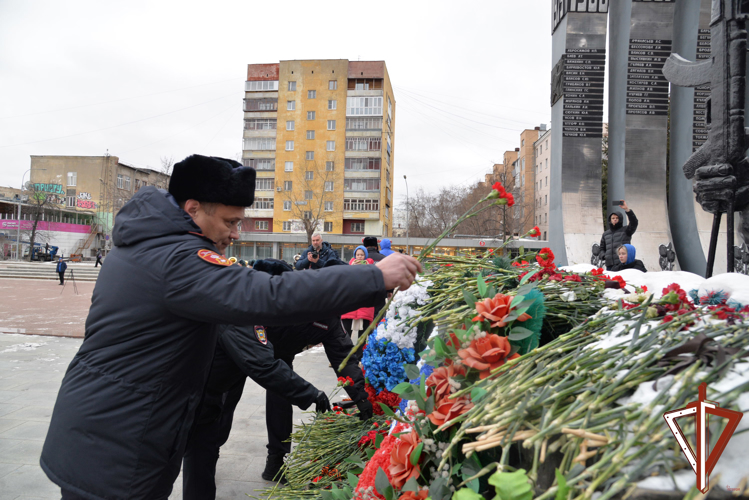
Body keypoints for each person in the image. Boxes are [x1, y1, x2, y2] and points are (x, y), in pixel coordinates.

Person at [40, 155, 422, 500]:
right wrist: (371, 277)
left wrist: (254, 270)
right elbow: (266, 298)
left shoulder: (152, 244)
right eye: (229, 221)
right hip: (116, 443)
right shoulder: (176, 259)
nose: (236, 233)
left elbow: (213, 284)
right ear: (192, 209)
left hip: (110, 427)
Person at [250, 259, 372, 485]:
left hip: (280, 354)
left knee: (281, 394)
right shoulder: (292, 294)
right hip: (246, 345)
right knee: (220, 408)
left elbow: (344, 360)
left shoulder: (330, 320)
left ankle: (275, 459)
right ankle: (204, 453)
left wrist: (361, 397)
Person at [182, 319, 331, 499]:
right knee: (196, 456)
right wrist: (311, 393)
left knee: (203, 454)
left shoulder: (240, 311)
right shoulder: (238, 319)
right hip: (194, 394)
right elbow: (263, 365)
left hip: (207, 388)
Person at [341, 246, 375, 341]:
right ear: (354, 256)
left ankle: (361, 354)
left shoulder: (371, 266)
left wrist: (369, 267)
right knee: (346, 331)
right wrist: (351, 268)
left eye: (362, 255)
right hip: (351, 302)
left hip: (364, 302)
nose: (359, 257)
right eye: (358, 255)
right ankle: (346, 352)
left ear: (365, 256)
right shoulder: (349, 266)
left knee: (363, 333)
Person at [599, 200, 638, 270]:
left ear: (620, 219)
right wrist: (604, 256)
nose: (615, 220)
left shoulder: (626, 230)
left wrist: (627, 210)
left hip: (622, 264)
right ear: (610, 220)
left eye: (617, 218)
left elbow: (634, 222)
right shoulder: (605, 234)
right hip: (609, 265)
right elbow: (602, 248)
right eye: (613, 218)